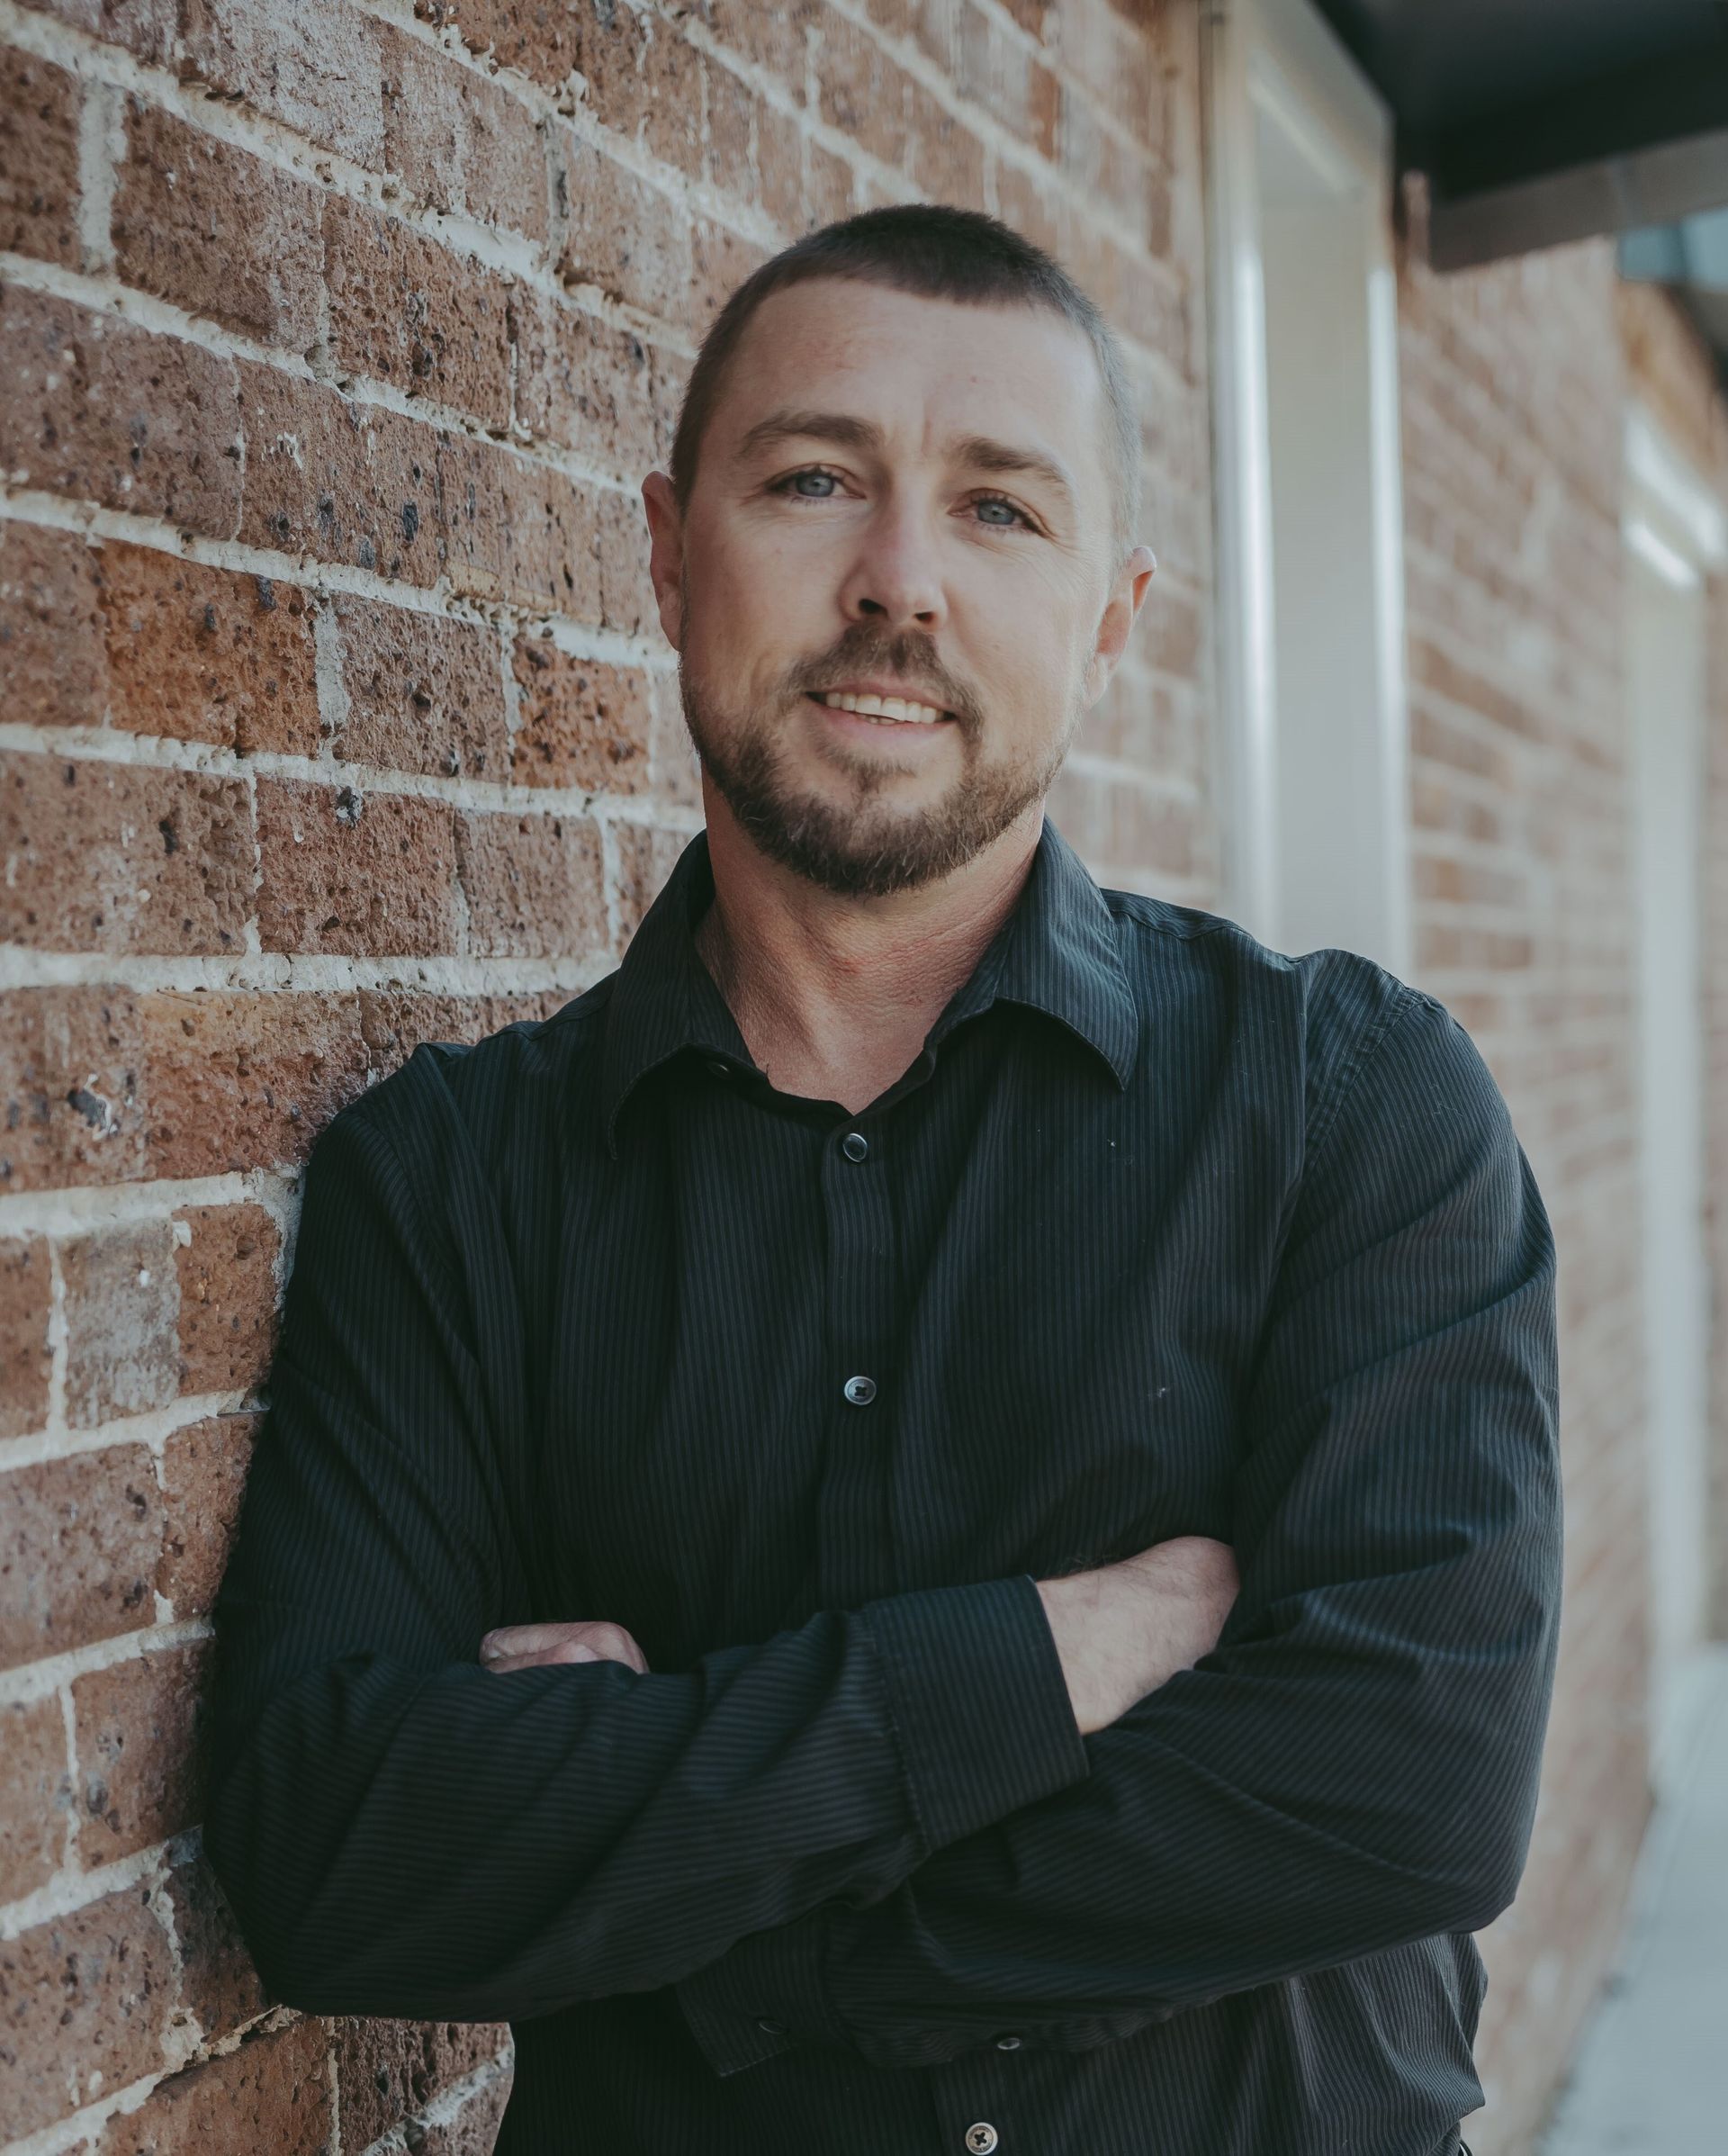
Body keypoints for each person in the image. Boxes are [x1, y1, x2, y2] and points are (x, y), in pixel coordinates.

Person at [202, 204, 1558, 2156]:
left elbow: (1408, 1789)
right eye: (816, 478)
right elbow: (339, 1852)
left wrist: (683, 1855)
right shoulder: (455, 1187)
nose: (899, 580)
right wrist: (1044, 1663)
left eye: (1001, 508)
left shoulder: (1350, 1111)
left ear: (1113, 606)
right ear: (672, 553)